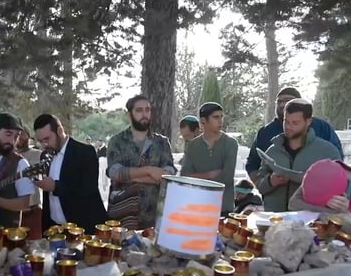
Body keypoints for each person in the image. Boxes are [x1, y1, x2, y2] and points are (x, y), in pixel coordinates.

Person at [256, 99, 341, 212]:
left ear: (308, 121)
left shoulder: (328, 152)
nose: (289, 127)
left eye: (295, 123)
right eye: (286, 121)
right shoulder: (272, 151)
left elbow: (342, 185)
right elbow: (260, 186)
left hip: (310, 223)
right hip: (274, 222)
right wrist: (270, 182)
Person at [107, 95, 176, 229]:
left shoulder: (162, 142)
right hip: (122, 212)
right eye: (139, 110)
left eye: (147, 110)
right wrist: (150, 171)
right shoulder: (117, 141)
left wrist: (131, 177)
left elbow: (169, 175)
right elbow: (115, 173)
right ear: (129, 115)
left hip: (153, 214)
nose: (144, 114)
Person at [245, 87, 343, 182]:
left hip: (312, 194)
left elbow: (337, 162)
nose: (282, 104)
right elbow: (253, 164)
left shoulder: (321, 127)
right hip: (276, 195)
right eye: (279, 101)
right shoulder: (265, 132)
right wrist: (264, 184)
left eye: (287, 101)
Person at [34, 114, 107, 233]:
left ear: (59, 130)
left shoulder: (84, 152)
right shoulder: (45, 156)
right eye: (40, 141)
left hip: (82, 228)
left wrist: (55, 186)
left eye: (47, 139)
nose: (44, 145)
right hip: (54, 229)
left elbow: (88, 189)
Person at [180, 103, 238, 215]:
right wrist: (210, 175)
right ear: (203, 120)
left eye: (222, 117)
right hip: (197, 207)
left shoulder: (230, 143)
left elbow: (227, 177)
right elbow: (184, 176)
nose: (220, 121)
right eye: (216, 117)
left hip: (223, 207)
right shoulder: (192, 146)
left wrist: (197, 178)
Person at [16, 129, 44, 239]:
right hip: (14, 211)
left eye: (23, 134)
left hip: (34, 209)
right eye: (18, 134)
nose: (21, 136)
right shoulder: (9, 158)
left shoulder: (39, 155)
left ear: (28, 136)